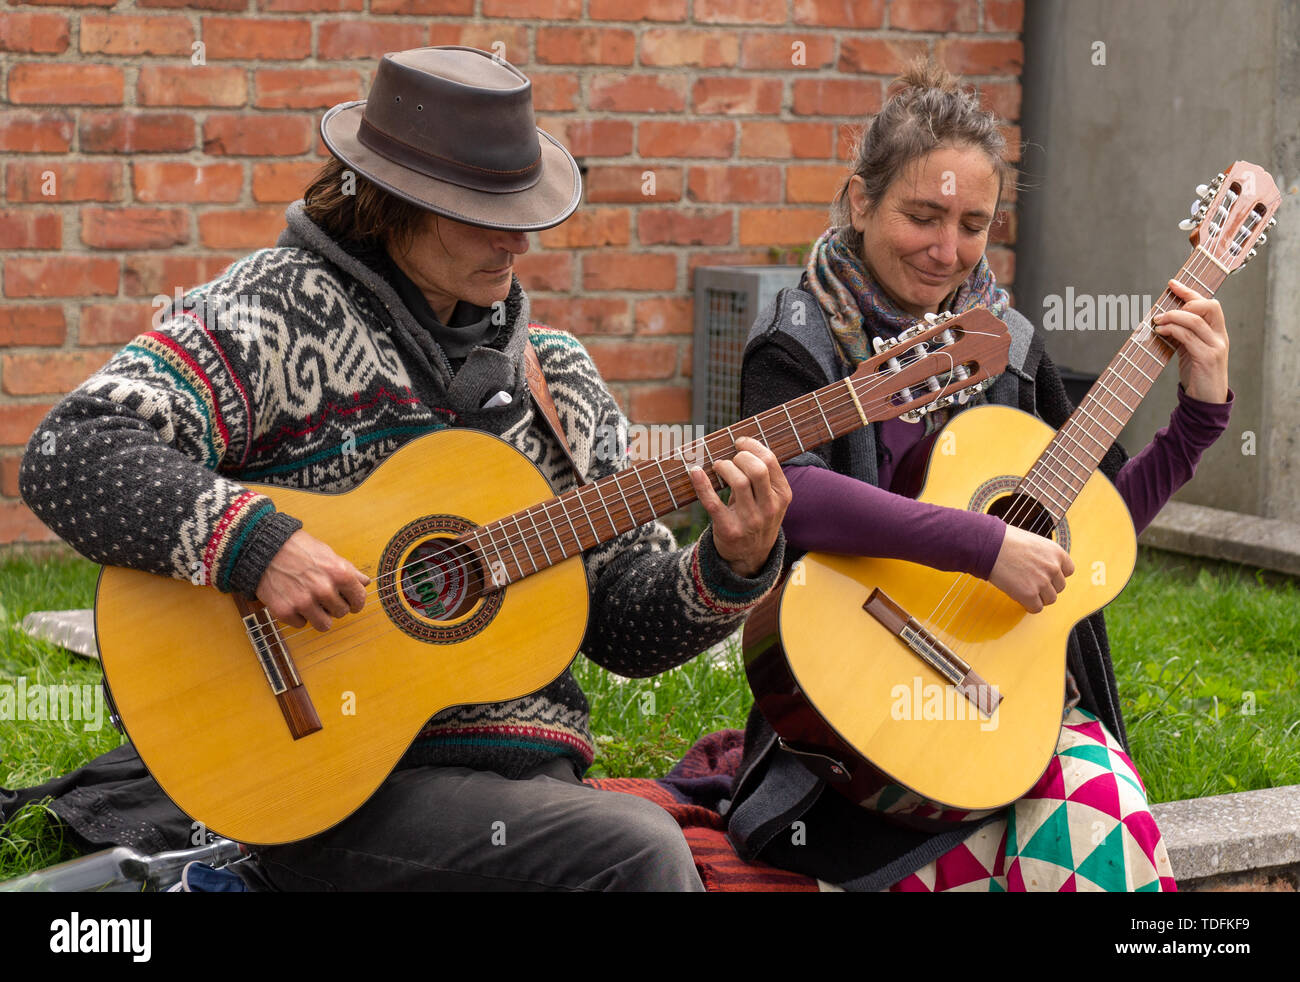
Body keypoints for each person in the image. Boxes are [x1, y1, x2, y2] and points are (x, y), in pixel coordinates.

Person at [19, 46, 791, 891]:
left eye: (522, 210)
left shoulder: (556, 376)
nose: (518, 240)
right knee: (639, 848)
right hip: (322, 782)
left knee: (623, 841)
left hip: (529, 797)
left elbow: (622, 628)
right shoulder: (272, 311)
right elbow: (73, 448)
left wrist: (729, 566)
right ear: (392, 207)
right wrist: (257, 544)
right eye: (482, 213)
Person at [725, 62, 1233, 892]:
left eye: (973, 224)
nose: (947, 250)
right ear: (860, 201)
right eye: (922, 216)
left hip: (1009, 698)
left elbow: (1097, 524)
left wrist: (1198, 421)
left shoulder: (1011, 345)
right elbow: (793, 492)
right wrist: (982, 542)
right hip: (855, 728)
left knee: (1097, 825)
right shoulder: (800, 339)